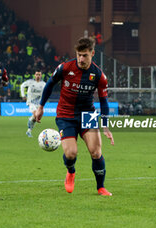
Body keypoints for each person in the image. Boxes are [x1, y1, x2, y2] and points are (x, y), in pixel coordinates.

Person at [35, 37, 114, 196]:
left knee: (96, 152)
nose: (81, 59)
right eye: (79, 55)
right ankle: (71, 171)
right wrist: (41, 107)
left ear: (92, 54)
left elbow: (104, 101)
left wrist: (105, 125)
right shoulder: (65, 68)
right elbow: (50, 85)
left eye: (85, 55)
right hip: (66, 114)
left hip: (88, 115)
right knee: (71, 153)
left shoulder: (99, 75)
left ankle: (101, 187)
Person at [20, 70, 46, 137]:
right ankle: (32, 120)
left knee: (36, 117)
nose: (38, 76)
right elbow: (22, 86)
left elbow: (46, 92)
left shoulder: (43, 84)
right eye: (37, 74)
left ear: (41, 75)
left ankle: (29, 130)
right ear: (34, 75)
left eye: (39, 74)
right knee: (35, 114)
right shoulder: (30, 82)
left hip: (39, 103)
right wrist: (23, 95)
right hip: (31, 102)